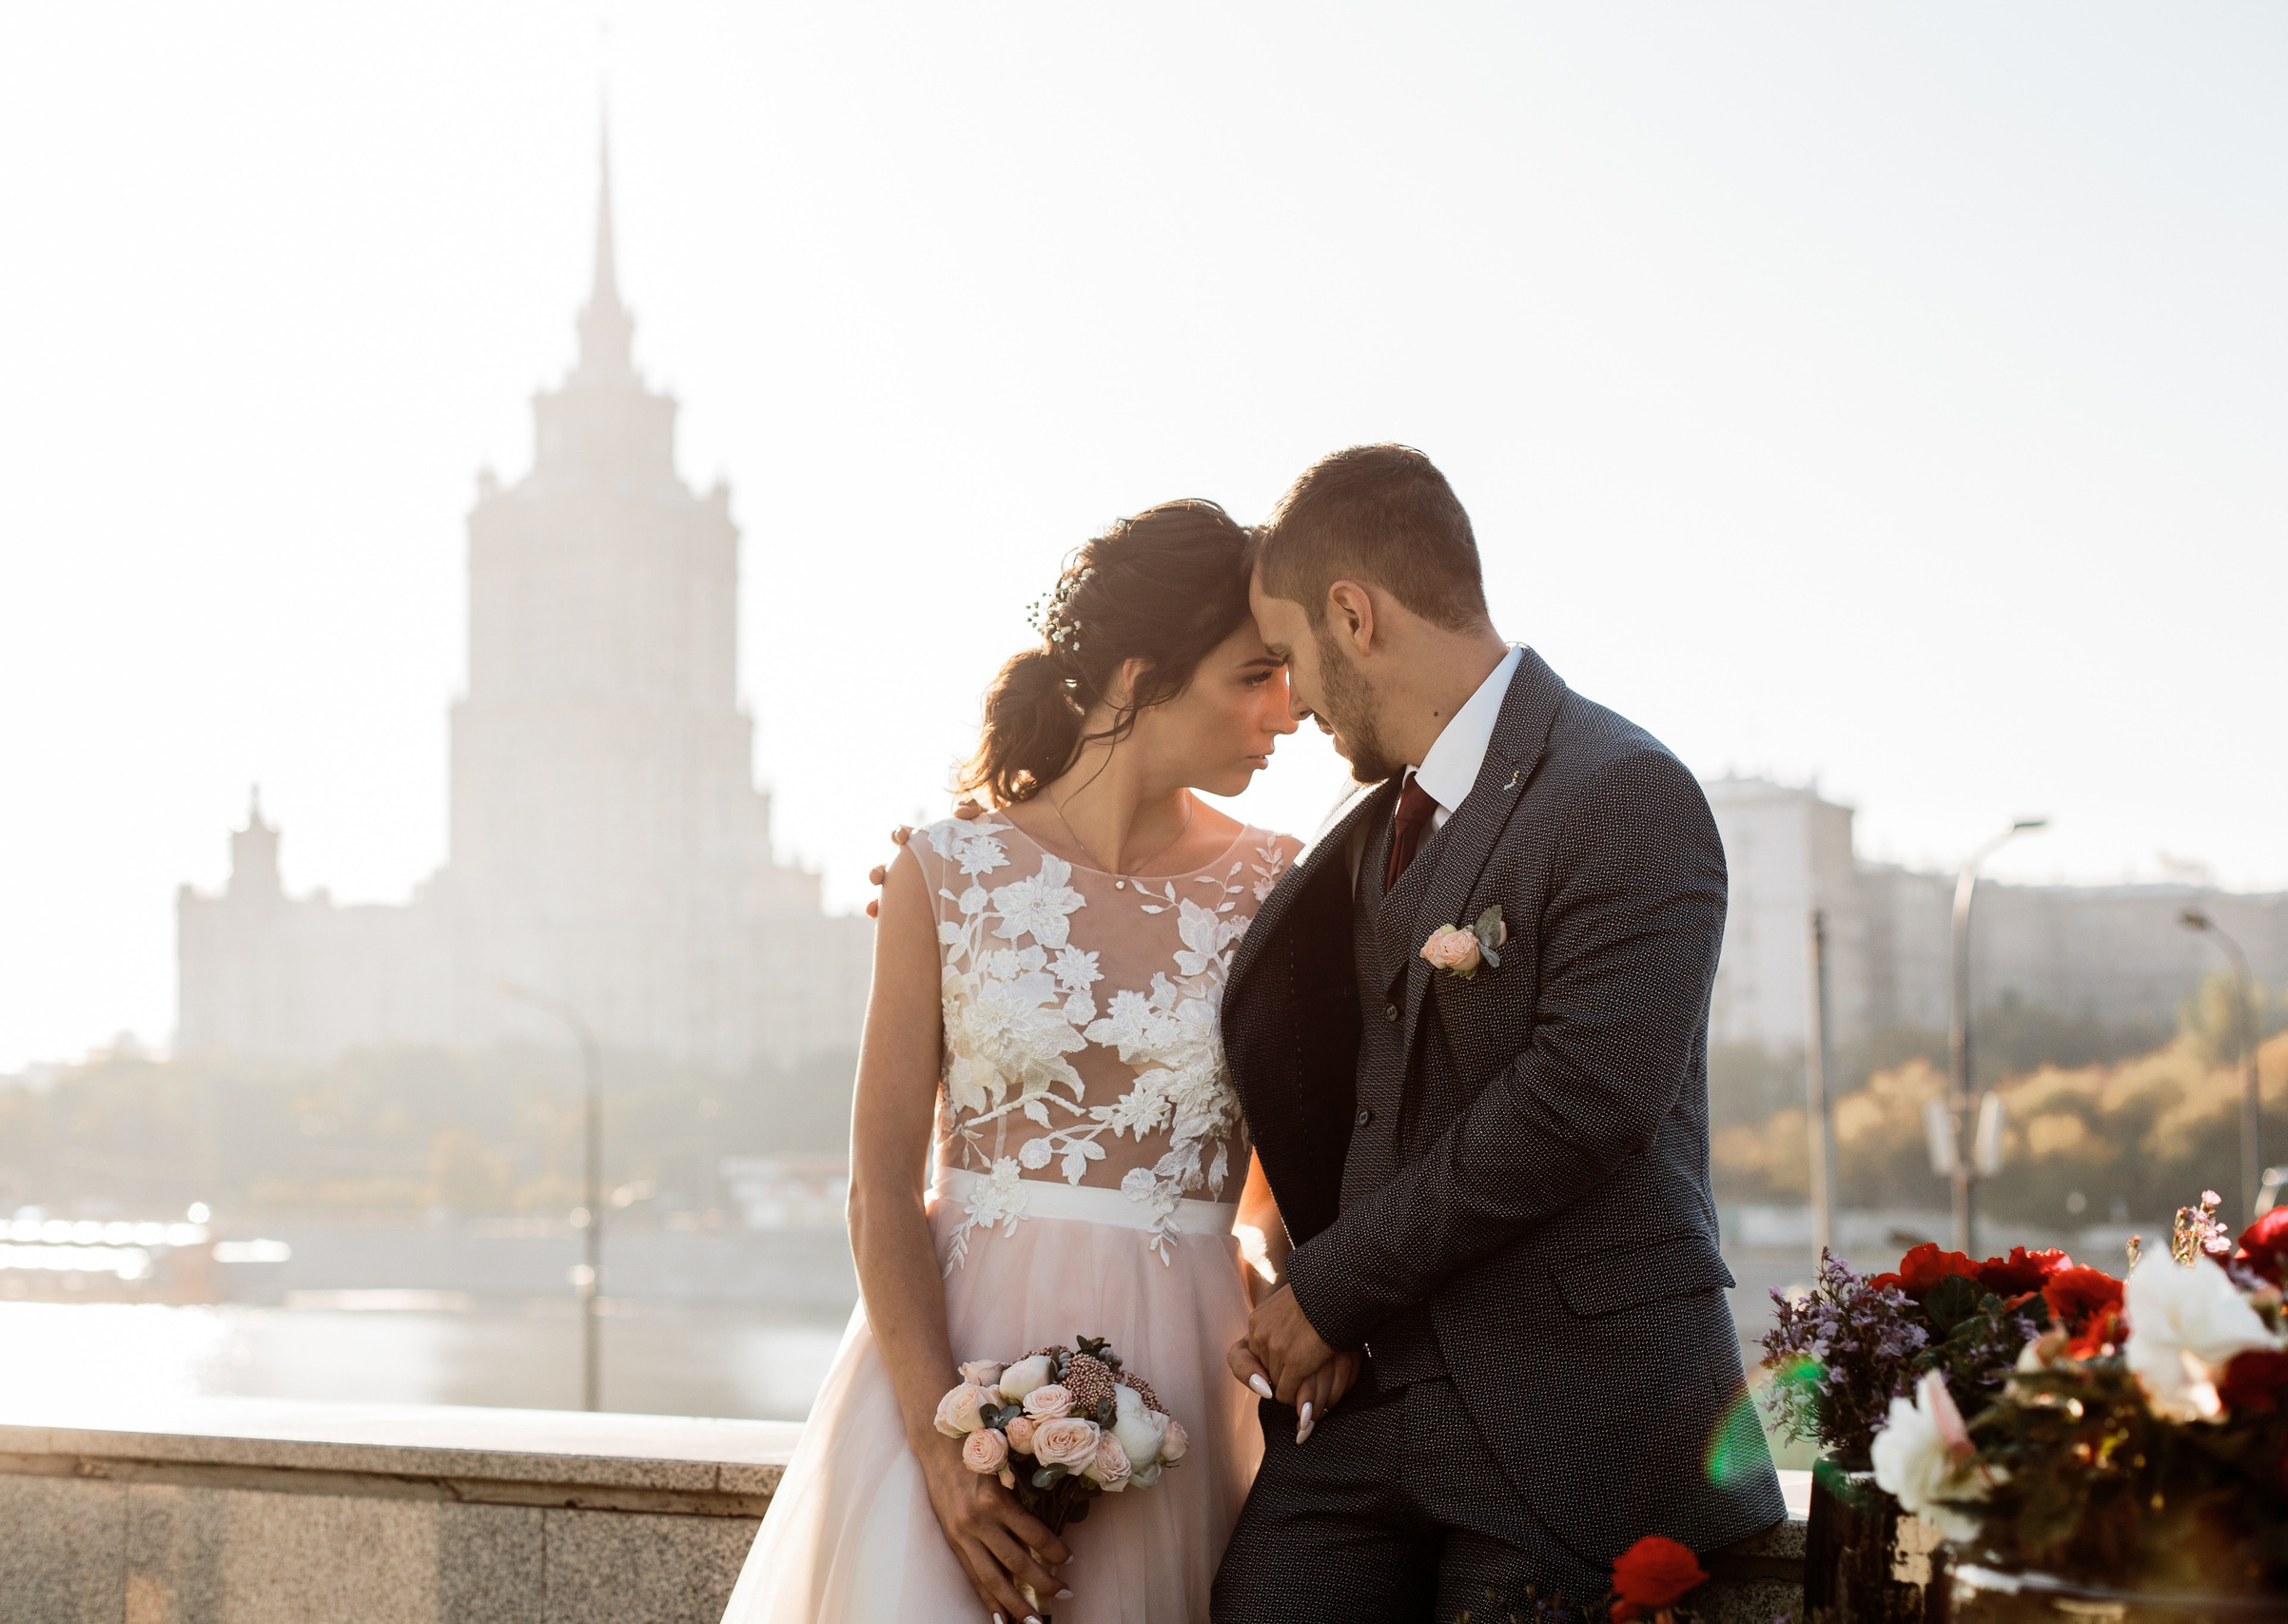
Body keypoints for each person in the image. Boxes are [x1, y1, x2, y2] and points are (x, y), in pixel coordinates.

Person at [719, 499, 1343, 1624]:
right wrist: (940, 1446)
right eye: (1253, 677)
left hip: (1181, 1391)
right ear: (1142, 674)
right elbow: (878, 1187)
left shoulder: (1285, 890)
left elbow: (1292, 1183)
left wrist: (1300, 1301)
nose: (1286, 712)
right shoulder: (942, 870)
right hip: (947, 1376)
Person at [1209, 444, 1785, 1618]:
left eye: (1293, 662)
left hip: (1571, 1419)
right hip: (1360, 1420)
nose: (1293, 703)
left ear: (1354, 615)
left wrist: (1330, 1290)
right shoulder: (1370, 821)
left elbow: (1586, 1098)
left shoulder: (1627, 793)